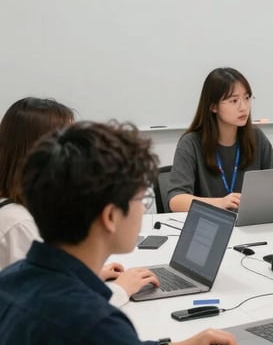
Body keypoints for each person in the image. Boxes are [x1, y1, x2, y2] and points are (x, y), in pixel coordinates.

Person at [0, 121, 273, 345]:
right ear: (110, 217)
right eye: (139, 199)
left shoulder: (13, 283)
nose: (143, 210)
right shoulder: (89, 324)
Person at [0, 97, 158, 304]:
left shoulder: (16, 209)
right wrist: (119, 290)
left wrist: (85, 274)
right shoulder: (19, 224)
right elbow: (52, 307)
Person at [168, 67, 273, 212]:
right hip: (209, 226)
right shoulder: (191, 143)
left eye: (247, 98)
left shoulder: (255, 137)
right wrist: (220, 203)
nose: (244, 107)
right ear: (214, 106)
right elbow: (176, 200)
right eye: (234, 100)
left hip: (249, 226)